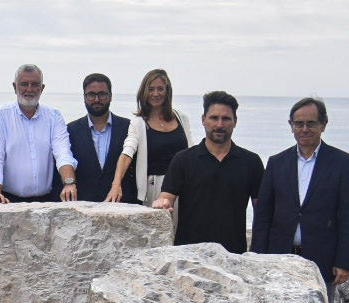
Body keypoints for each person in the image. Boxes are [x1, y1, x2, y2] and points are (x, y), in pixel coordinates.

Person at [252, 97, 349, 301]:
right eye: (298, 124)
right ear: (291, 126)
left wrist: (344, 262)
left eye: (311, 123)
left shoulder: (342, 163)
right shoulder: (277, 163)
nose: (304, 129)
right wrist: (257, 257)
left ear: (323, 125)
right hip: (279, 258)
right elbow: (263, 215)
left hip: (322, 260)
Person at [152, 90, 263, 253]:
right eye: (214, 118)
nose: (219, 124)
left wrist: (258, 251)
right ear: (203, 120)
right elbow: (166, 197)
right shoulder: (183, 160)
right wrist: (161, 203)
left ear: (235, 121)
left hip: (233, 255)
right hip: (188, 254)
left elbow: (262, 212)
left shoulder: (251, 162)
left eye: (226, 118)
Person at [0, 64, 78, 203]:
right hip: (8, 200)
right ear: (14, 87)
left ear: (42, 88)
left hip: (47, 200)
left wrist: (69, 183)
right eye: (24, 84)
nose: (29, 89)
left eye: (35, 84)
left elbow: (63, 153)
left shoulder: (54, 116)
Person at [107, 68, 192, 207]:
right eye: (151, 89)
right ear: (144, 93)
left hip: (183, 185)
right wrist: (116, 184)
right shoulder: (138, 123)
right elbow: (127, 153)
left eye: (160, 89)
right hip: (155, 188)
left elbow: (191, 151)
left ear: (167, 91)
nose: (156, 93)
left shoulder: (181, 118)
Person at [62, 73, 134, 202]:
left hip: (121, 204)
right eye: (91, 94)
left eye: (102, 94)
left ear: (110, 96)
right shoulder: (70, 130)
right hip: (83, 206)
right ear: (84, 97)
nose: (96, 99)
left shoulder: (128, 127)